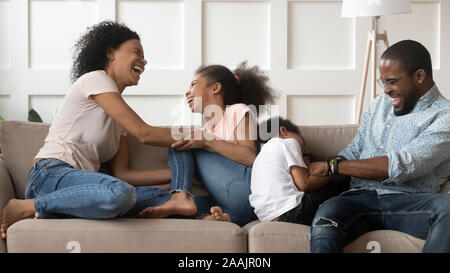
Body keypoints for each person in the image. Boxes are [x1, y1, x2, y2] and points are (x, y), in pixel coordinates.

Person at [0, 21, 215, 239]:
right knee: (120, 193)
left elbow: (124, 174)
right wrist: (204, 137)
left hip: (85, 190)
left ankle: (65, 210)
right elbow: (144, 133)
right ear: (111, 52)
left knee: (186, 200)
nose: (144, 60)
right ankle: (30, 205)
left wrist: (181, 177)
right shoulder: (95, 79)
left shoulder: (117, 118)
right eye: (137, 51)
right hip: (50, 176)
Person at [308, 40, 450, 253]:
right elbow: (354, 151)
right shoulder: (377, 106)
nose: (385, 90)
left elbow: (403, 165)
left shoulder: (445, 116)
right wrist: (311, 170)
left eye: (392, 82)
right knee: (326, 218)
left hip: (411, 203)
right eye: (382, 82)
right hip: (357, 200)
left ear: (419, 76)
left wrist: (332, 166)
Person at [139, 62, 276, 226]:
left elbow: (250, 157)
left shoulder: (236, 110)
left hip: (245, 190)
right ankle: (216, 216)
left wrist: (206, 141)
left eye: (194, 84)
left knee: (180, 142)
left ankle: (181, 197)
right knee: (158, 203)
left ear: (215, 88)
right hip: (230, 204)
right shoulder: (205, 130)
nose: (187, 91)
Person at [249, 117, 348, 225]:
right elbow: (304, 184)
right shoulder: (288, 142)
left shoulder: (262, 157)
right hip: (292, 213)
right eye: (302, 145)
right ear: (283, 131)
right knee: (341, 177)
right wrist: (331, 176)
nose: (304, 150)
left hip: (268, 219)